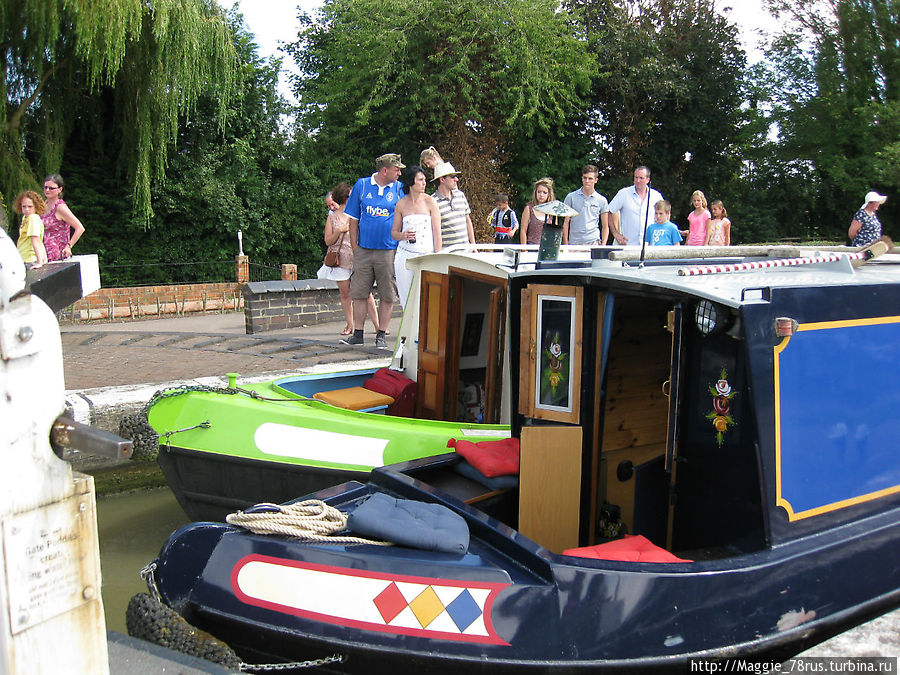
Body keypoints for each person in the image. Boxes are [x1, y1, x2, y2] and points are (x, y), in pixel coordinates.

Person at [342, 153, 406, 349]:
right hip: (364, 249)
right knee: (360, 293)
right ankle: (358, 334)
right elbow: (353, 219)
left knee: (387, 294)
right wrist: (355, 247)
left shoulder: (399, 188)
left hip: (388, 250)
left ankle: (381, 335)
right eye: (396, 169)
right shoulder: (362, 185)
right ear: (384, 170)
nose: (400, 173)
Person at [317, 184, 380, 336]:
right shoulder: (332, 217)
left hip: (358, 258)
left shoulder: (359, 214)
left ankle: (378, 326)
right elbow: (328, 241)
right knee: (345, 294)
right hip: (340, 261)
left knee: (367, 293)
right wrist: (339, 230)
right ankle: (350, 325)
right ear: (345, 198)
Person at [392, 166, 442, 308]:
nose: (424, 183)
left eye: (425, 180)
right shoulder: (401, 204)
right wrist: (403, 235)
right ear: (411, 182)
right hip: (405, 255)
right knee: (406, 297)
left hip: (427, 254)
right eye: (420, 180)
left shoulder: (430, 202)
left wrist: (438, 256)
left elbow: (437, 233)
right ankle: (408, 328)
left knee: (427, 299)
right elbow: (394, 233)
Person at [607, 166, 664, 247]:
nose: (637, 181)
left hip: (650, 246)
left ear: (648, 180)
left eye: (641, 178)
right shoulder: (624, 194)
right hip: (628, 246)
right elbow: (608, 212)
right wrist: (616, 234)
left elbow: (664, 216)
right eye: (636, 177)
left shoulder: (656, 196)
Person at [41, 174, 85, 261]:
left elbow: (80, 228)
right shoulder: (44, 204)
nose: (47, 190)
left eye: (51, 188)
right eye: (45, 187)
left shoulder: (60, 207)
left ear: (60, 189)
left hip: (56, 256)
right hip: (43, 254)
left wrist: (69, 246)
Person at [432, 161, 475, 248]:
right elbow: (434, 231)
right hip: (447, 255)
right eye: (452, 177)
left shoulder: (460, 195)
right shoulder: (432, 201)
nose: (456, 179)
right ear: (442, 179)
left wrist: (473, 245)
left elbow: (468, 221)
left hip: (466, 252)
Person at [562, 165, 609, 245]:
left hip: (593, 242)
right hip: (574, 242)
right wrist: (566, 244)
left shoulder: (602, 200)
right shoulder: (571, 197)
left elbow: (605, 226)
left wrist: (603, 246)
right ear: (582, 178)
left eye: (590, 178)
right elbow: (566, 223)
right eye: (585, 178)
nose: (587, 181)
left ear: (596, 180)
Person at [13, 190, 48, 267]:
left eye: (30, 206)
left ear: (36, 206)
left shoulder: (33, 218)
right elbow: (40, 241)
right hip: (24, 258)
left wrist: (39, 262)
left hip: (30, 260)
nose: (27, 209)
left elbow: (35, 240)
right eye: (24, 206)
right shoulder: (26, 218)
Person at [520, 177, 555, 245]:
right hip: (531, 246)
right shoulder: (529, 209)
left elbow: (555, 233)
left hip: (547, 247)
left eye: (544, 193)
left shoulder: (552, 210)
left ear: (549, 194)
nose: (541, 195)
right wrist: (524, 249)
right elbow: (523, 231)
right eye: (539, 192)